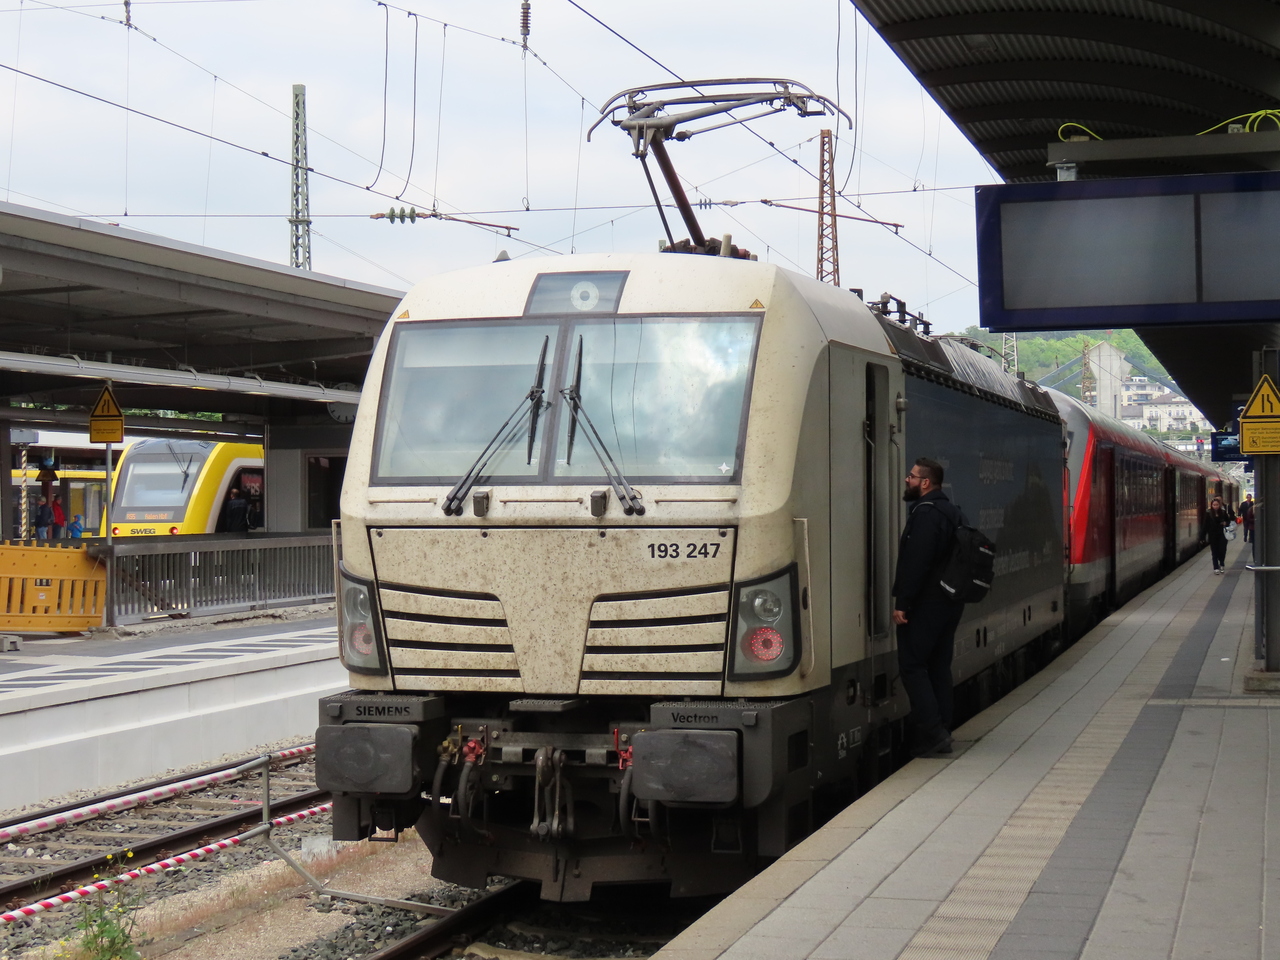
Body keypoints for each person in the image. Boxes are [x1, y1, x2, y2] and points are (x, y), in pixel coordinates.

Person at [893, 457, 964, 757]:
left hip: (927, 603)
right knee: (938, 666)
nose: (907, 480)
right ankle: (943, 729)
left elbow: (916, 563)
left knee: (912, 665)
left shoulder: (925, 514)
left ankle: (933, 733)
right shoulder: (952, 512)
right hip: (951, 602)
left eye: (911, 476)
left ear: (925, 482)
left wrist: (902, 603)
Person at [1201, 496, 1235, 575]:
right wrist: (1202, 536)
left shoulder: (1223, 512)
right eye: (1214, 505)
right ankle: (1216, 567)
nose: (1215, 506)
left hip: (1222, 534)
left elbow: (1228, 521)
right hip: (1212, 535)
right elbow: (1205, 525)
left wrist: (1225, 523)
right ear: (1211, 505)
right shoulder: (1208, 513)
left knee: (1222, 550)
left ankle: (1222, 563)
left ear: (1219, 505)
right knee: (1214, 551)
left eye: (1217, 505)